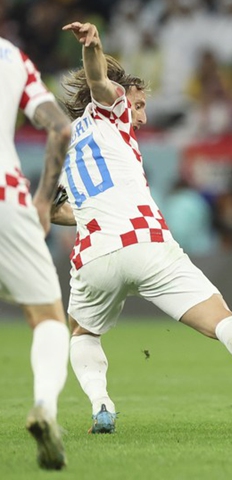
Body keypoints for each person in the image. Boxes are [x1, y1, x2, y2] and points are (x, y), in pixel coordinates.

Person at [54, 21, 232, 434]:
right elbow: (98, 81)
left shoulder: (64, 144)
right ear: (122, 95)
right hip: (148, 243)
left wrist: (92, 215)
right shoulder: (110, 111)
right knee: (222, 320)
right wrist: (93, 47)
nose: (141, 116)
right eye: (139, 104)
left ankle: (102, 407)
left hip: (93, 255)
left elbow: (54, 209)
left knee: (84, 333)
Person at [0, 36, 72, 470]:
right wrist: (44, 200)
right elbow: (61, 127)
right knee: (46, 316)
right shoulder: (11, 55)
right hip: (6, 198)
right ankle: (44, 406)